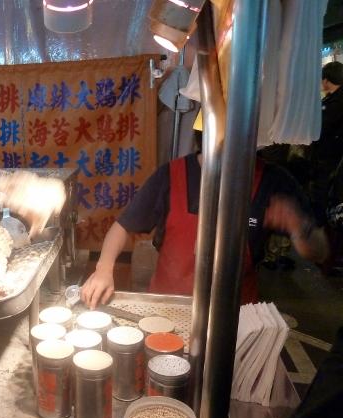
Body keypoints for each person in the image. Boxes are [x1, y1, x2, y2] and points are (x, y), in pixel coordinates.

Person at [80, 149, 329, 309]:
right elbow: (122, 226)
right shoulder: (172, 174)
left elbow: (320, 252)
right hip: (169, 306)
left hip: (236, 315)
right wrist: (103, 269)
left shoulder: (273, 180)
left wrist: (299, 229)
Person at [309, 61, 343, 226]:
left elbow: (323, 127)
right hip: (330, 155)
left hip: (330, 156)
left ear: (327, 80)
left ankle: (320, 223)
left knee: (323, 190)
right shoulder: (332, 98)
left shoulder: (336, 103)